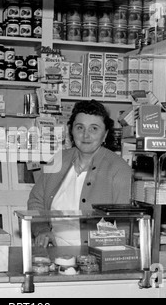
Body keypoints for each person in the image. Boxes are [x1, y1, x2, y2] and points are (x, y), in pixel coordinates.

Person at [28, 100, 132, 247]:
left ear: (105, 134)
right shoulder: (57, 160)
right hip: (54, 253)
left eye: (94, 129)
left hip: (98, 257)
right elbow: (36, 201)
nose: (85, 135)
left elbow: (125, 225)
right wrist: (42, 230)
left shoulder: (119, 170)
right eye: (80, 127)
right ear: (71, 131)